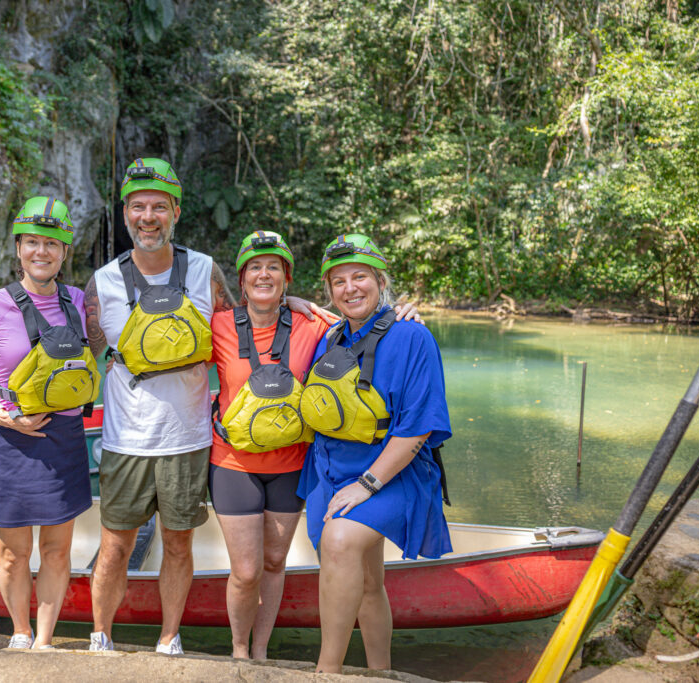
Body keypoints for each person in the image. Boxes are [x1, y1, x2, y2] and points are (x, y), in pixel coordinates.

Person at [81, 158, 336, 655]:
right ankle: (101, 637)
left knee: (178, 542)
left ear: (175, 212)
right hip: (125, 438)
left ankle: (169, 637)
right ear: (125, 214)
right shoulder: (103, 282)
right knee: (115, 544)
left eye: (159, 206)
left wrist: (295, 302)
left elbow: (246, 325)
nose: (148, 216)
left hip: (191, 437)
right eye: (138, 206)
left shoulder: (203, 271)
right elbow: (77, 354)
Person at [210, 230, 422, 660]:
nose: (263, 274)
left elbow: (366, 324)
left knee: (274, 563)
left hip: (293, 464)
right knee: (246, 571)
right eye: (255, 267)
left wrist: (404, 314)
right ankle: (238, 652)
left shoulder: (317, 326)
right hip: (233, 461)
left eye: (274, 267)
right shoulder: (218, 325)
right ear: (242, 277)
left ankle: (264, 653)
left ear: (288, 278)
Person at [297, 233, 452, 673]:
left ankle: (326, 672)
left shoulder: (411, 337)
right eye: (338, 281)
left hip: (394, 474)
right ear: (328, 291)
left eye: (360, 276)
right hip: (331, 470)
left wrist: (367, 486)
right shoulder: (330, 338)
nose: (350, 288)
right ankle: (380, 673)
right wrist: (291, 301)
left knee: (341, 540)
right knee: (367, 580)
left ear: (381, 281)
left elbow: (417, 429)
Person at [0, 196, 95, 650]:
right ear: (18, 249)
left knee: (56, 550)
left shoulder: (77, 301)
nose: (41, 252)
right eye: (32, 242)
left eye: (52, 244)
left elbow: (109, 348)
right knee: (14, 554)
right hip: (7, 439)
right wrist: (1, 413)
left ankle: (45, 642)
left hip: (64, 438)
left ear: (65, 252)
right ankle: (20, 632)